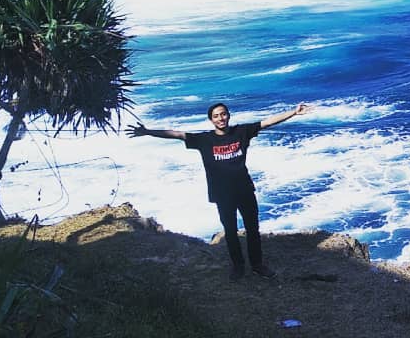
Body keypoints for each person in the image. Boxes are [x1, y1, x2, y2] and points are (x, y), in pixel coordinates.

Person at [129, 102, 312, 280]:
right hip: (222, 194)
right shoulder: (204, 140)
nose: (220, 118)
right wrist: (148, 131)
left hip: (245, 190)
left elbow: (267, 122)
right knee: (230, 231)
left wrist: (293, 112)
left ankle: (257, 265)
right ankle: (238, 266)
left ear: (228, 115)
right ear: (211, 120)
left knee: (253, 229)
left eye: (223, 114)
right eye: (216, 116)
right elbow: (176, 134)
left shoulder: (241, 132)